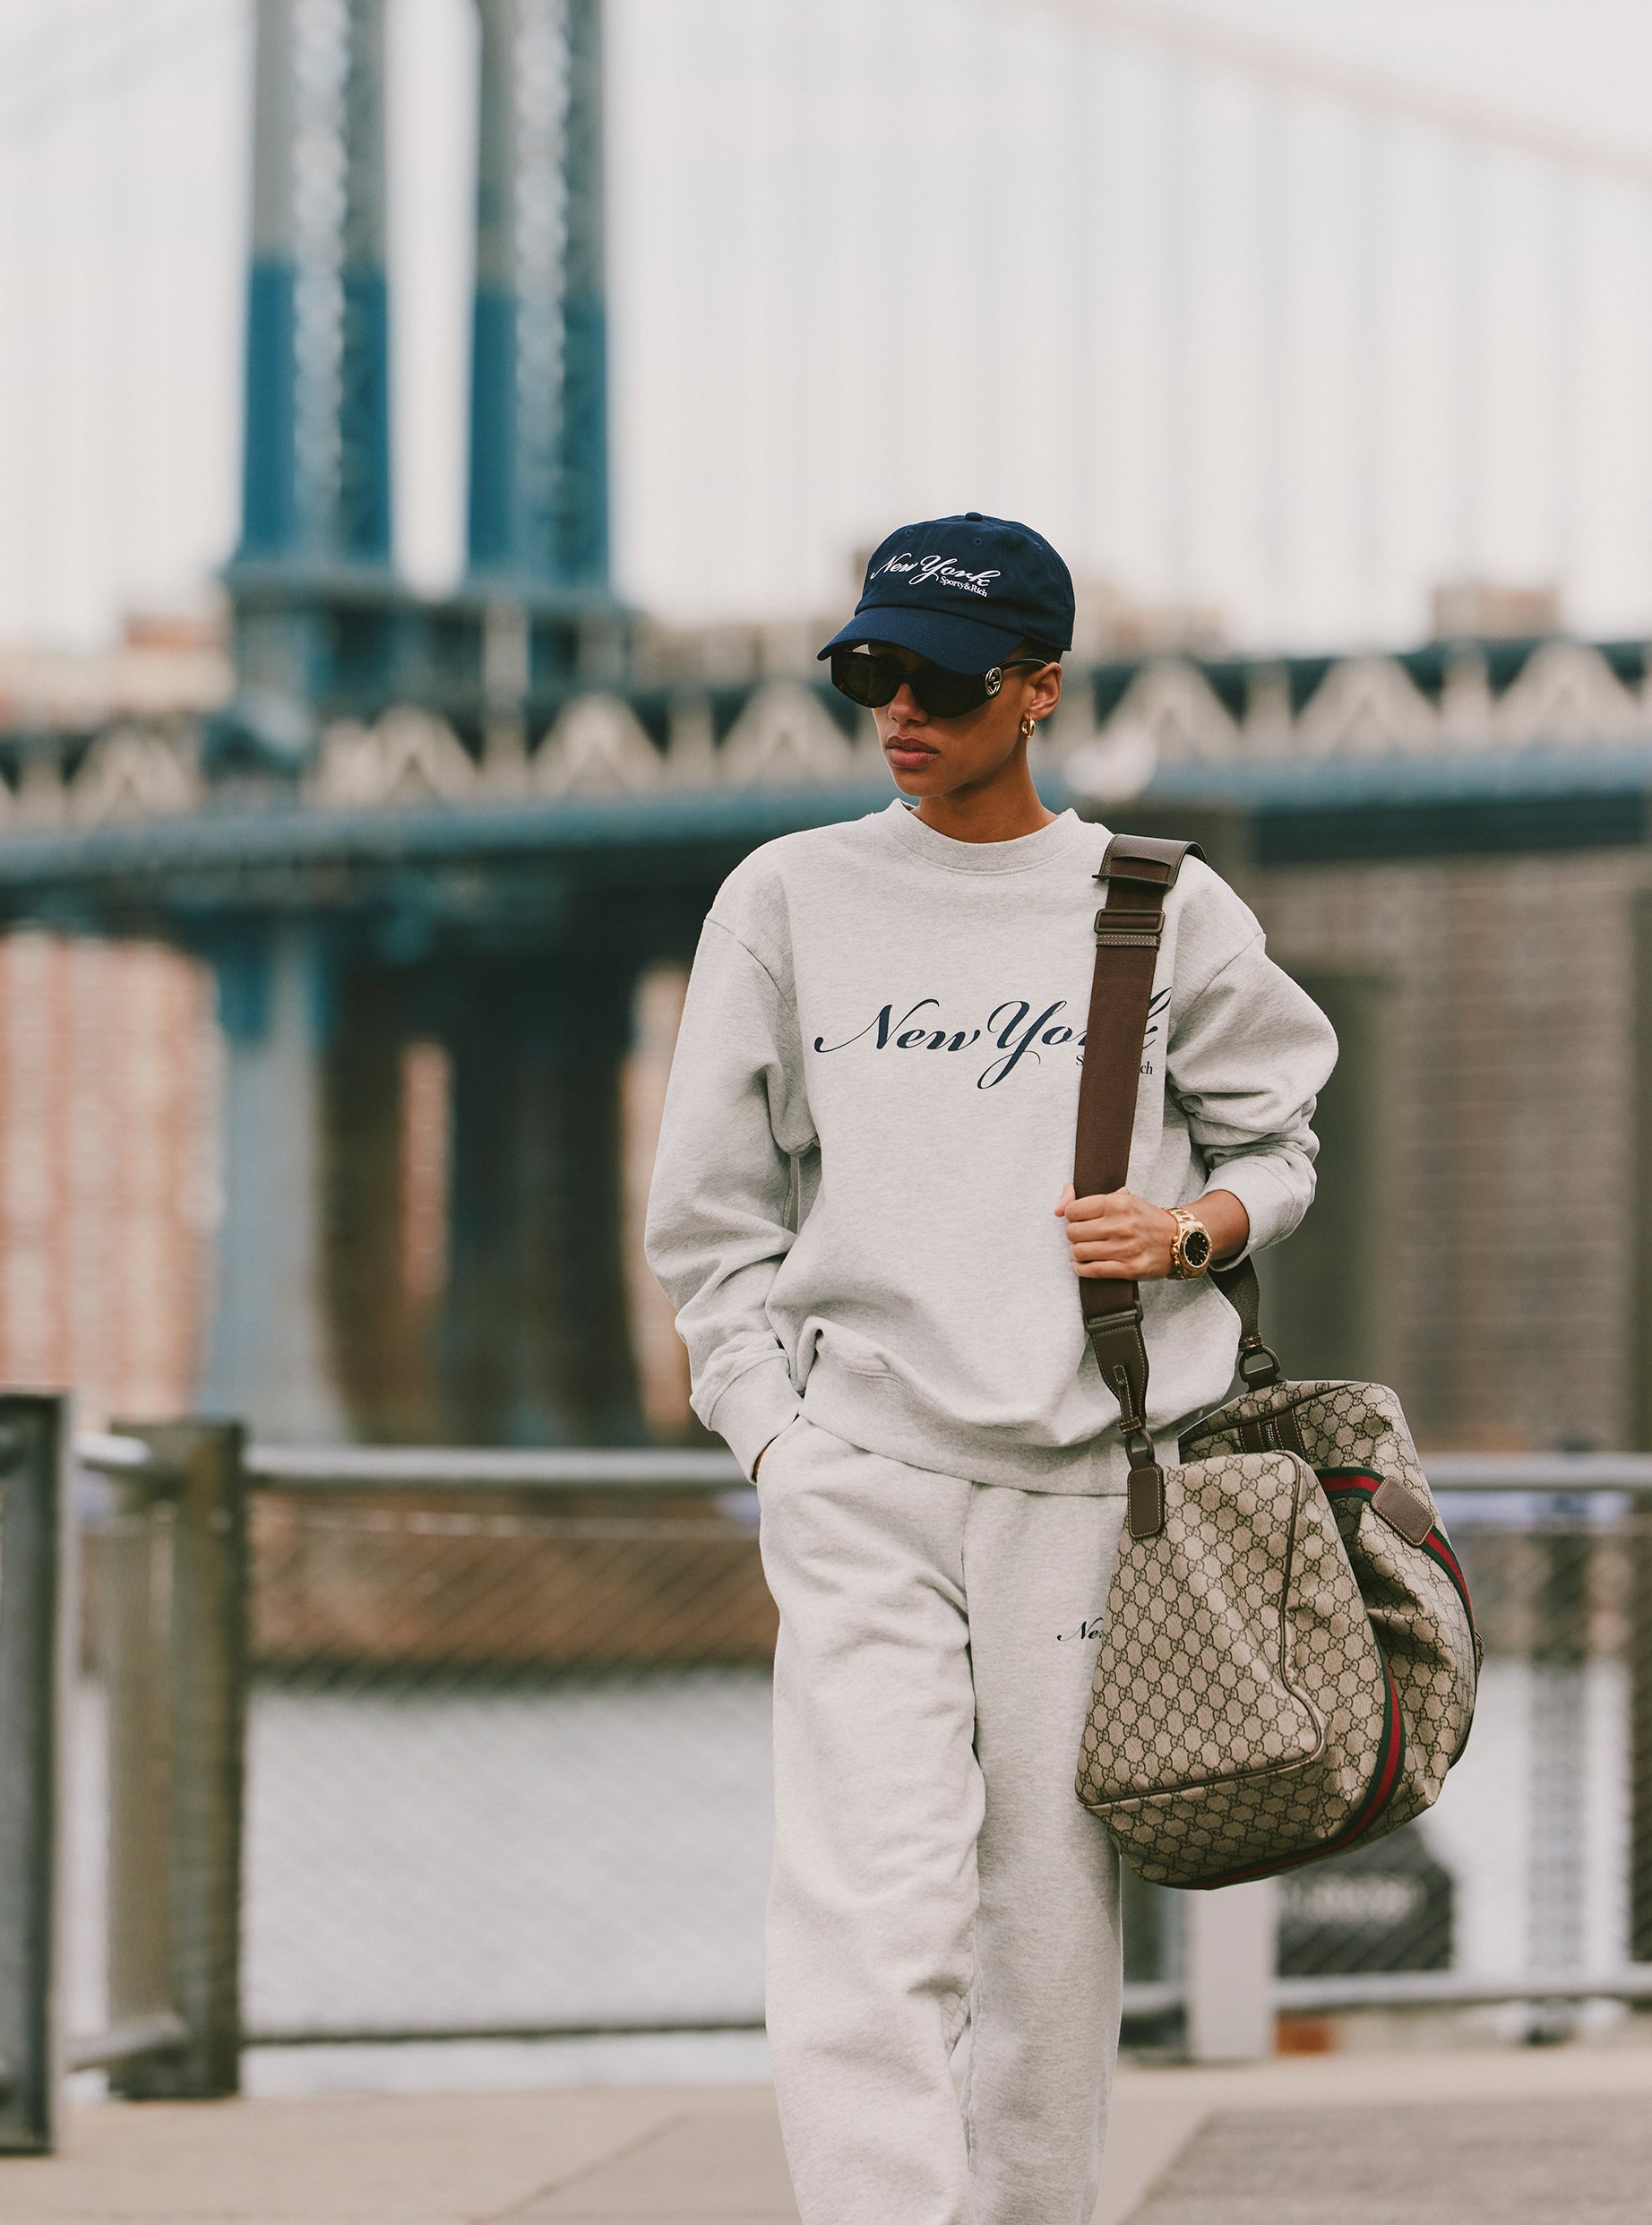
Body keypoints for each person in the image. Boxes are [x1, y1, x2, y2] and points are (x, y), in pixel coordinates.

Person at [643, 512, 1338, 2225]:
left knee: (1045, 1932)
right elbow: (710, 1221)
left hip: (1092, 1485)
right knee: (867, 1914)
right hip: (861, 1472)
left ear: (1038, 689)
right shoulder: (788, 897)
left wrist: (1190, 1235)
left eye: (940, 681)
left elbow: (1286, 1146)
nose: (899, 710)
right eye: (868, 673)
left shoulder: (1161, 909)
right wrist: (771, 1443)